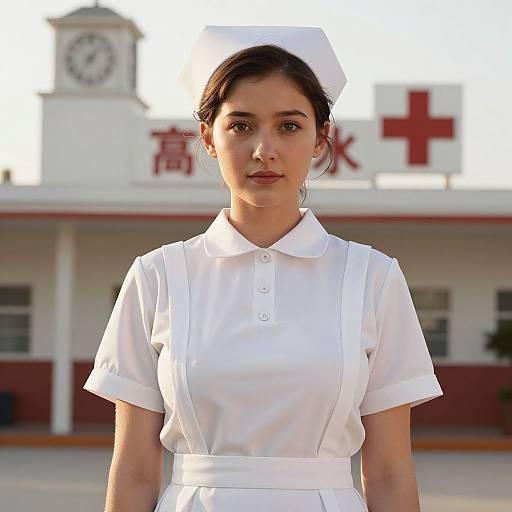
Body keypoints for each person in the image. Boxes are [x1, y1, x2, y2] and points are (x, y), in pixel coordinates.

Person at [83, 25, 444, 512]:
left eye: (289, 125)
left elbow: (389, 470)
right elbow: (133, 468)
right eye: (242, 125)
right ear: (208, 138)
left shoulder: (371, 277)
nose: (264, 150)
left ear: (321, 138)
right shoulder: (157, 276)